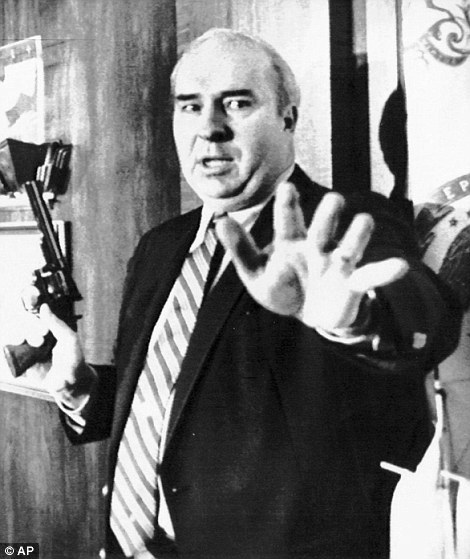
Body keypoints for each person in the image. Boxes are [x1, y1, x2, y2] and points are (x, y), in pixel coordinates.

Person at [36, 29, 460, 559]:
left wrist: (354, 320)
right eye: (190, 107)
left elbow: (424, 322)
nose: (209, 128)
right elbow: (176, 400)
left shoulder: (344, 226)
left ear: (288, 117)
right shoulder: (159, 247)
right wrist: (84, 391)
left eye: (237, 103)